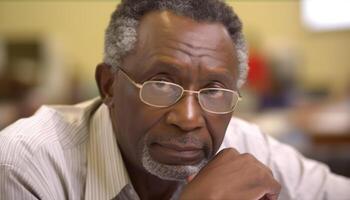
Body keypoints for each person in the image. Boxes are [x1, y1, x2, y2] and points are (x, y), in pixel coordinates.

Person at [0, 0, 349, 199]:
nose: (188, 118)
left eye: (214, 91)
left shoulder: (245, 146)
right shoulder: (23, 164)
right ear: (108, 86)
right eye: (161, 84)